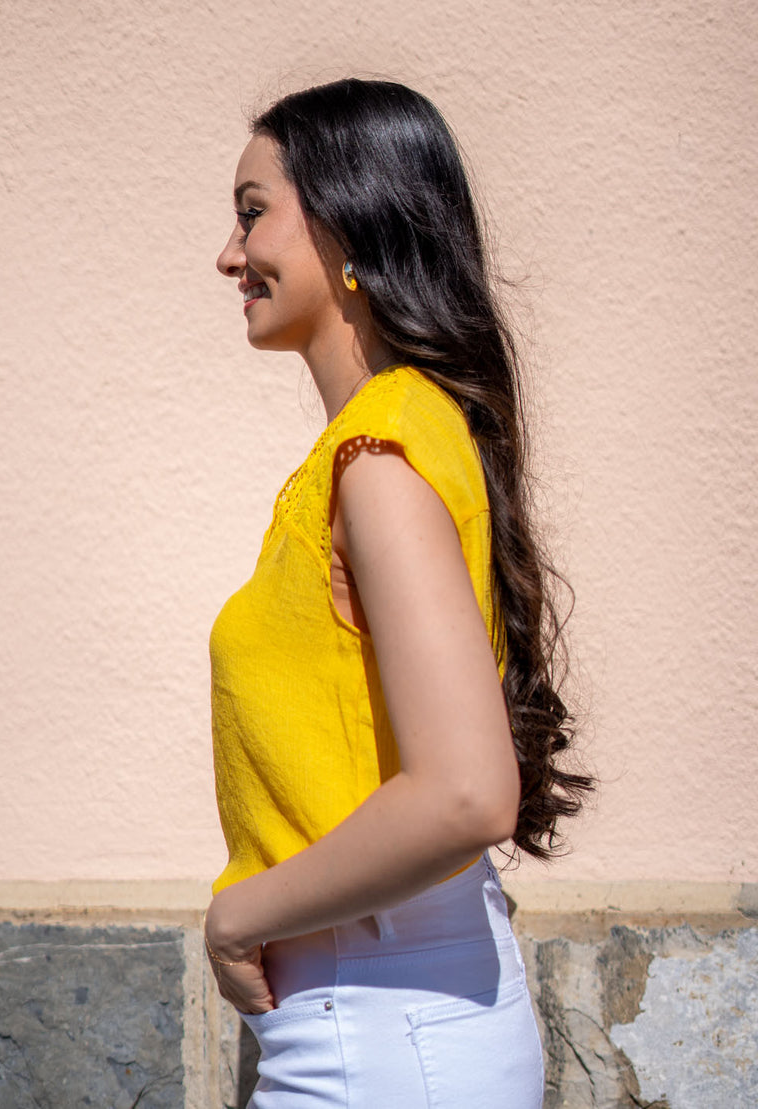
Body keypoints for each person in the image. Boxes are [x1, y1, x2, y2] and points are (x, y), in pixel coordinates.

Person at [205, 78, 592, 1107]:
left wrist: (238, 915)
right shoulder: (395, 438)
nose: (228, 254)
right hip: (385, 1015)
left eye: (252, 212)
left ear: (350, 220)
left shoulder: (379, 459)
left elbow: (467, 790)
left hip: (380, 1023)